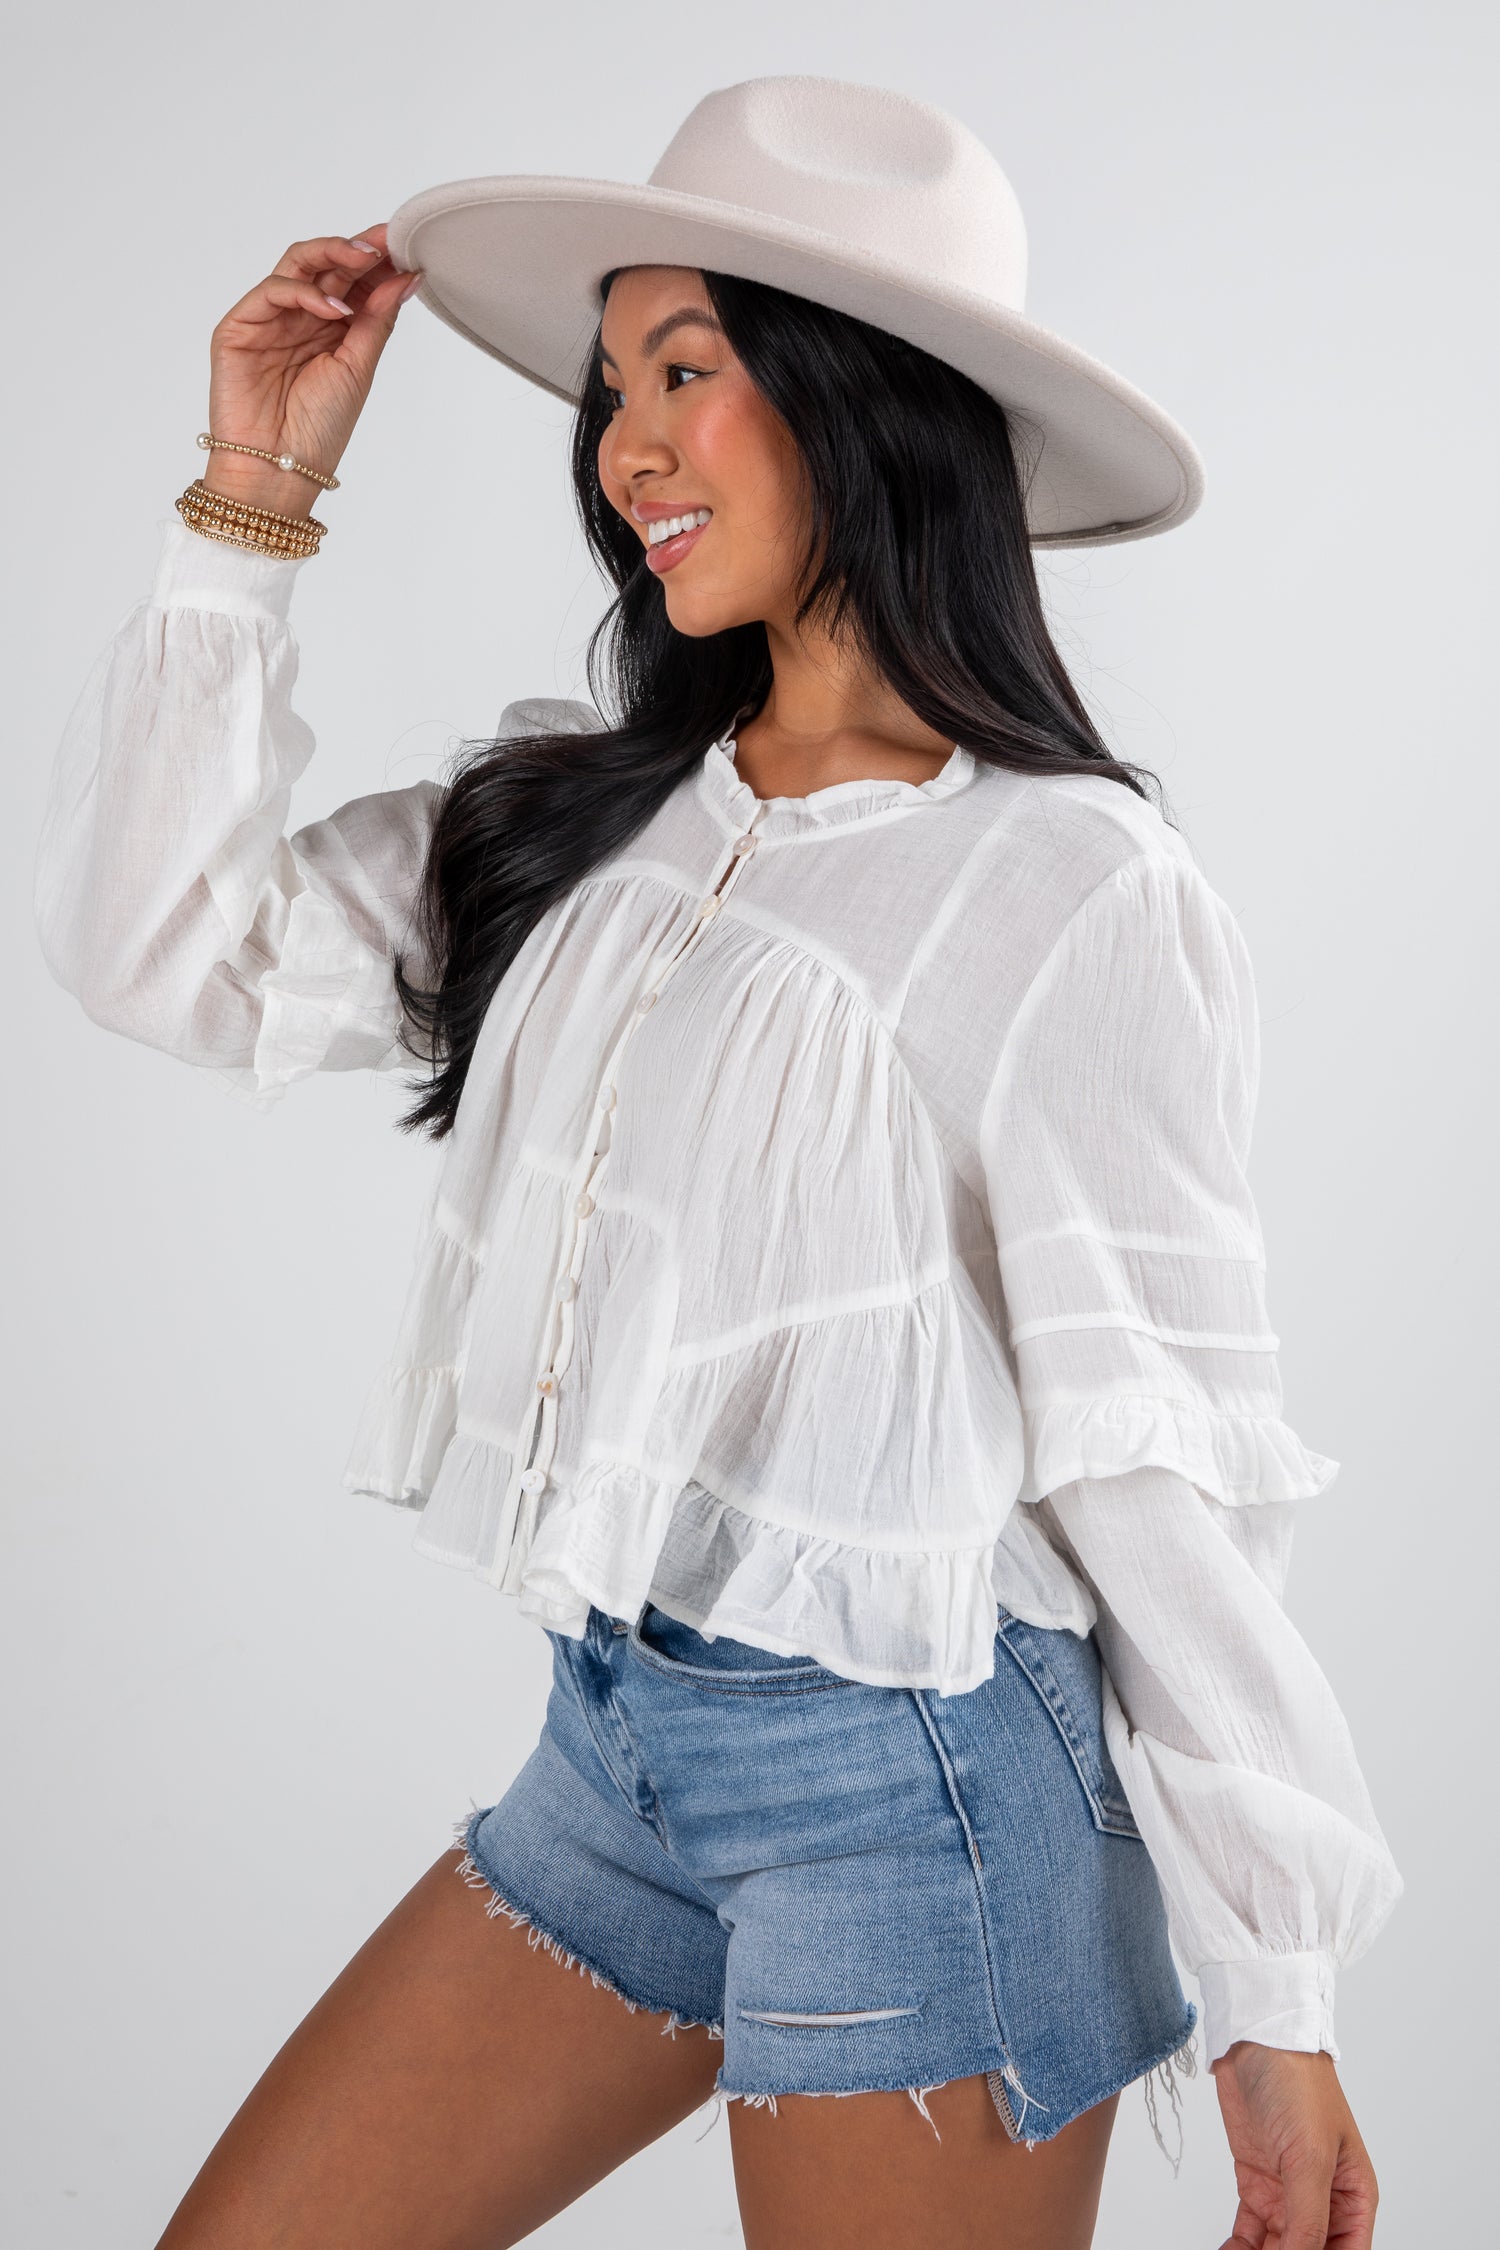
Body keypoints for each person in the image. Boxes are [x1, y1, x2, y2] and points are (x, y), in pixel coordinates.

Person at [34, 75, 1402, 2250]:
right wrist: (248, 502)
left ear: (872, 410)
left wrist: (1280, 1982)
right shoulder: (590, 827)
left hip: (932, 1800)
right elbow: (156, 954)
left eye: (690, 371)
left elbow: (1161, 1466)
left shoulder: (1066, 884)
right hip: (621, 1754)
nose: (626, 447)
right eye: (610, 389)